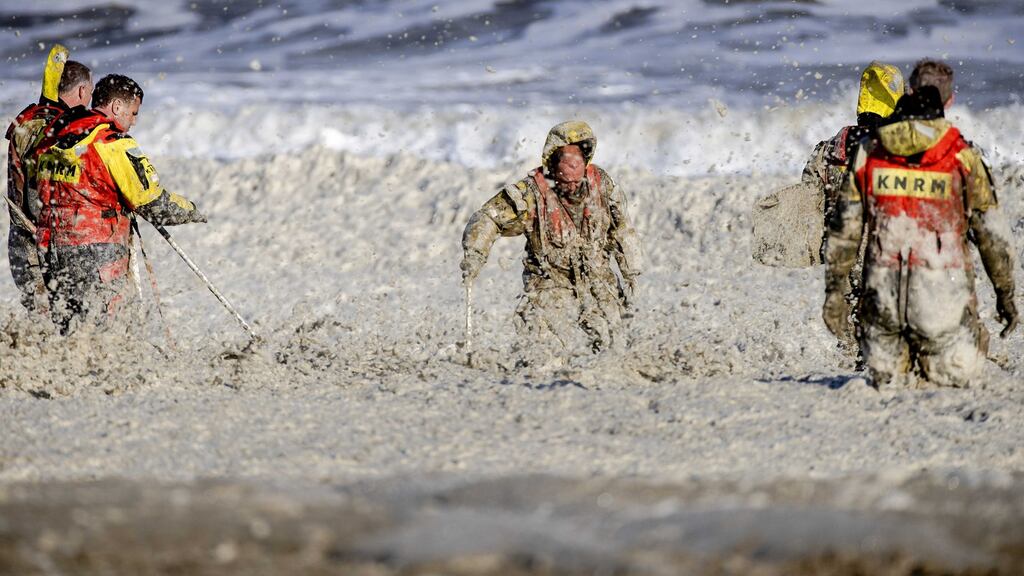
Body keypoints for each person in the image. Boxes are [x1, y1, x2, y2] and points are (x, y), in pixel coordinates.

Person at [823, 59, 1017, 388]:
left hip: (883, 310)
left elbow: (844, 230)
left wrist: (834, 294)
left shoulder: (870, 150)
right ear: (949, 101)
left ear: (909, 92)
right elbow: (993, 238)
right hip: (941, 309)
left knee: (886, 378)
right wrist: (1006, 296)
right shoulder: (962, 155)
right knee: (963, 367)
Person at [35, 74, 206, 333]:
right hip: (98, 251)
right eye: (133, 113)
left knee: (69, 330)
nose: (134, 122)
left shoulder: (56, 138)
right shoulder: (113, 143)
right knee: (106, 331)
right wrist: (191, 210)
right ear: (116, 107)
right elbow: (152, 202)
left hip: (53, 248)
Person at [461, 120, 642, 354]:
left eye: (577, 161)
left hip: (597, 279)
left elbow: (622, 228)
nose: (572, 171)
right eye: (565, 162)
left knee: (616, 346)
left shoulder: (602, 185)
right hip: (548, 283)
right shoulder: (531, 192)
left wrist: (632, 271)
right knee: (543, 352)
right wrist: (475, 255)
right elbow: (488, 218)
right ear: (552, 162)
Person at [802, 61, 905, 356]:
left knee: (850, 339)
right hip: (883, 254)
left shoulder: (828, 149)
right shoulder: (896, 152)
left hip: (842, 256)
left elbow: (808, 201)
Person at [5, 45, 92, 312]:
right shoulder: (61, 130)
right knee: (68, 320)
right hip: (49, 241)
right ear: (81, 91)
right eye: (90, 91)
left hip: (19, 240)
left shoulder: (28, 120)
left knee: (41, 323)